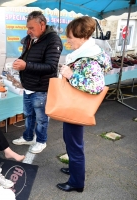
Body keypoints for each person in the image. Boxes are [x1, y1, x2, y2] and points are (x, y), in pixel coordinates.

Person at [57, 16, 112, 192]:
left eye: (71, 38)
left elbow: (96, 86)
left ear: (82, 37)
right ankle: (74, 170)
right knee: (70, 140)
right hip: (74, 104)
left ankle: (76, 183)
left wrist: (71, 75)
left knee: (75, 145)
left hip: (77, 107)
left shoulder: (89, 58)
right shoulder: (84, 54)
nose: (68, 41)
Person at [12, 11, 63, 154]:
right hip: (28, 85)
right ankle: (28, 137)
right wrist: (20, 63)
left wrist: (26, 66)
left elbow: (51, 67)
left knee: (41, 118)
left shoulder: (53, 40)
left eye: (31, 28)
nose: (28, 31)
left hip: (41, 88)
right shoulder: (29, 39)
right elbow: (28, 57)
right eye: (27, 28)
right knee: (28, 114)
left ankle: (41, 141)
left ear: (42, 25)